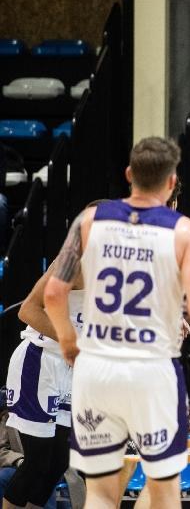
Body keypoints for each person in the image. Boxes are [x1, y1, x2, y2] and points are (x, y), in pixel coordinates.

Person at [43, 137, 190, 508]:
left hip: (97, 370)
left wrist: (67, 340)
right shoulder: (188, 232)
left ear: (129, 174)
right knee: (163, 487)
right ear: (172, 182)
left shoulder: (89, 220)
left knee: (100, 492)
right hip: (151, 370)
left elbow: (52, 294)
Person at [2, 200, 94, 508]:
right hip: (40, 361)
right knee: (38, 462)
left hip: (67, 367)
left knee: (57, 465)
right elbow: (28, 311)